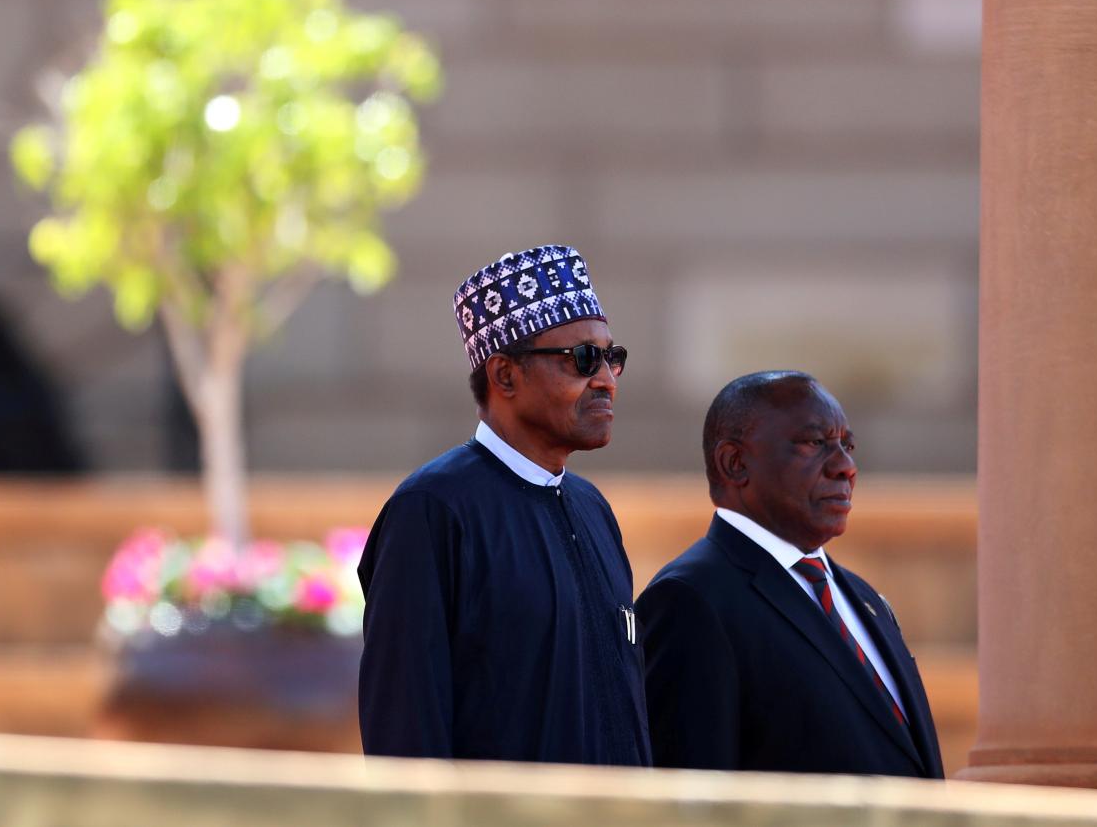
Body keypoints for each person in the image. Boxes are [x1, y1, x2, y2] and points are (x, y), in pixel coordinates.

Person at [357, 244, 649, 765]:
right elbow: (405, 734)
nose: (605, 379)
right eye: (582, 359)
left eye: (613, 358)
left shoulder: (592, 508)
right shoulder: (433, 511)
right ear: (505, 375)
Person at [638, 371, 943, 777]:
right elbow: (688, 799)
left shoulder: (864, 598)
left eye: (847, 446)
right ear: (735, 462)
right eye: (815, 444)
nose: (845, 467)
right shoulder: (690, 600)